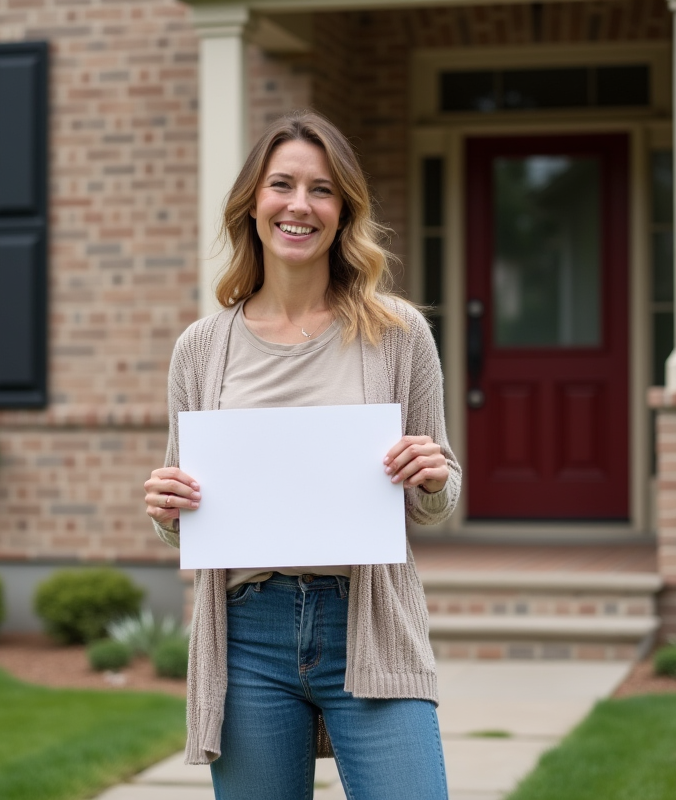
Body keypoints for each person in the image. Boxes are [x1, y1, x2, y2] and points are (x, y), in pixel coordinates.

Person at [143, 111, 460, 800]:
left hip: (368, 623)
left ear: (343, 209)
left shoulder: (399, 334)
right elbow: (182, 508)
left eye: (320, 189)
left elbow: (437, 493)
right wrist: (168, 508)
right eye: (280, 184)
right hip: (248, 635)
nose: (298, 204)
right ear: (252, 205)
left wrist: (432, 477)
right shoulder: (202, 348)